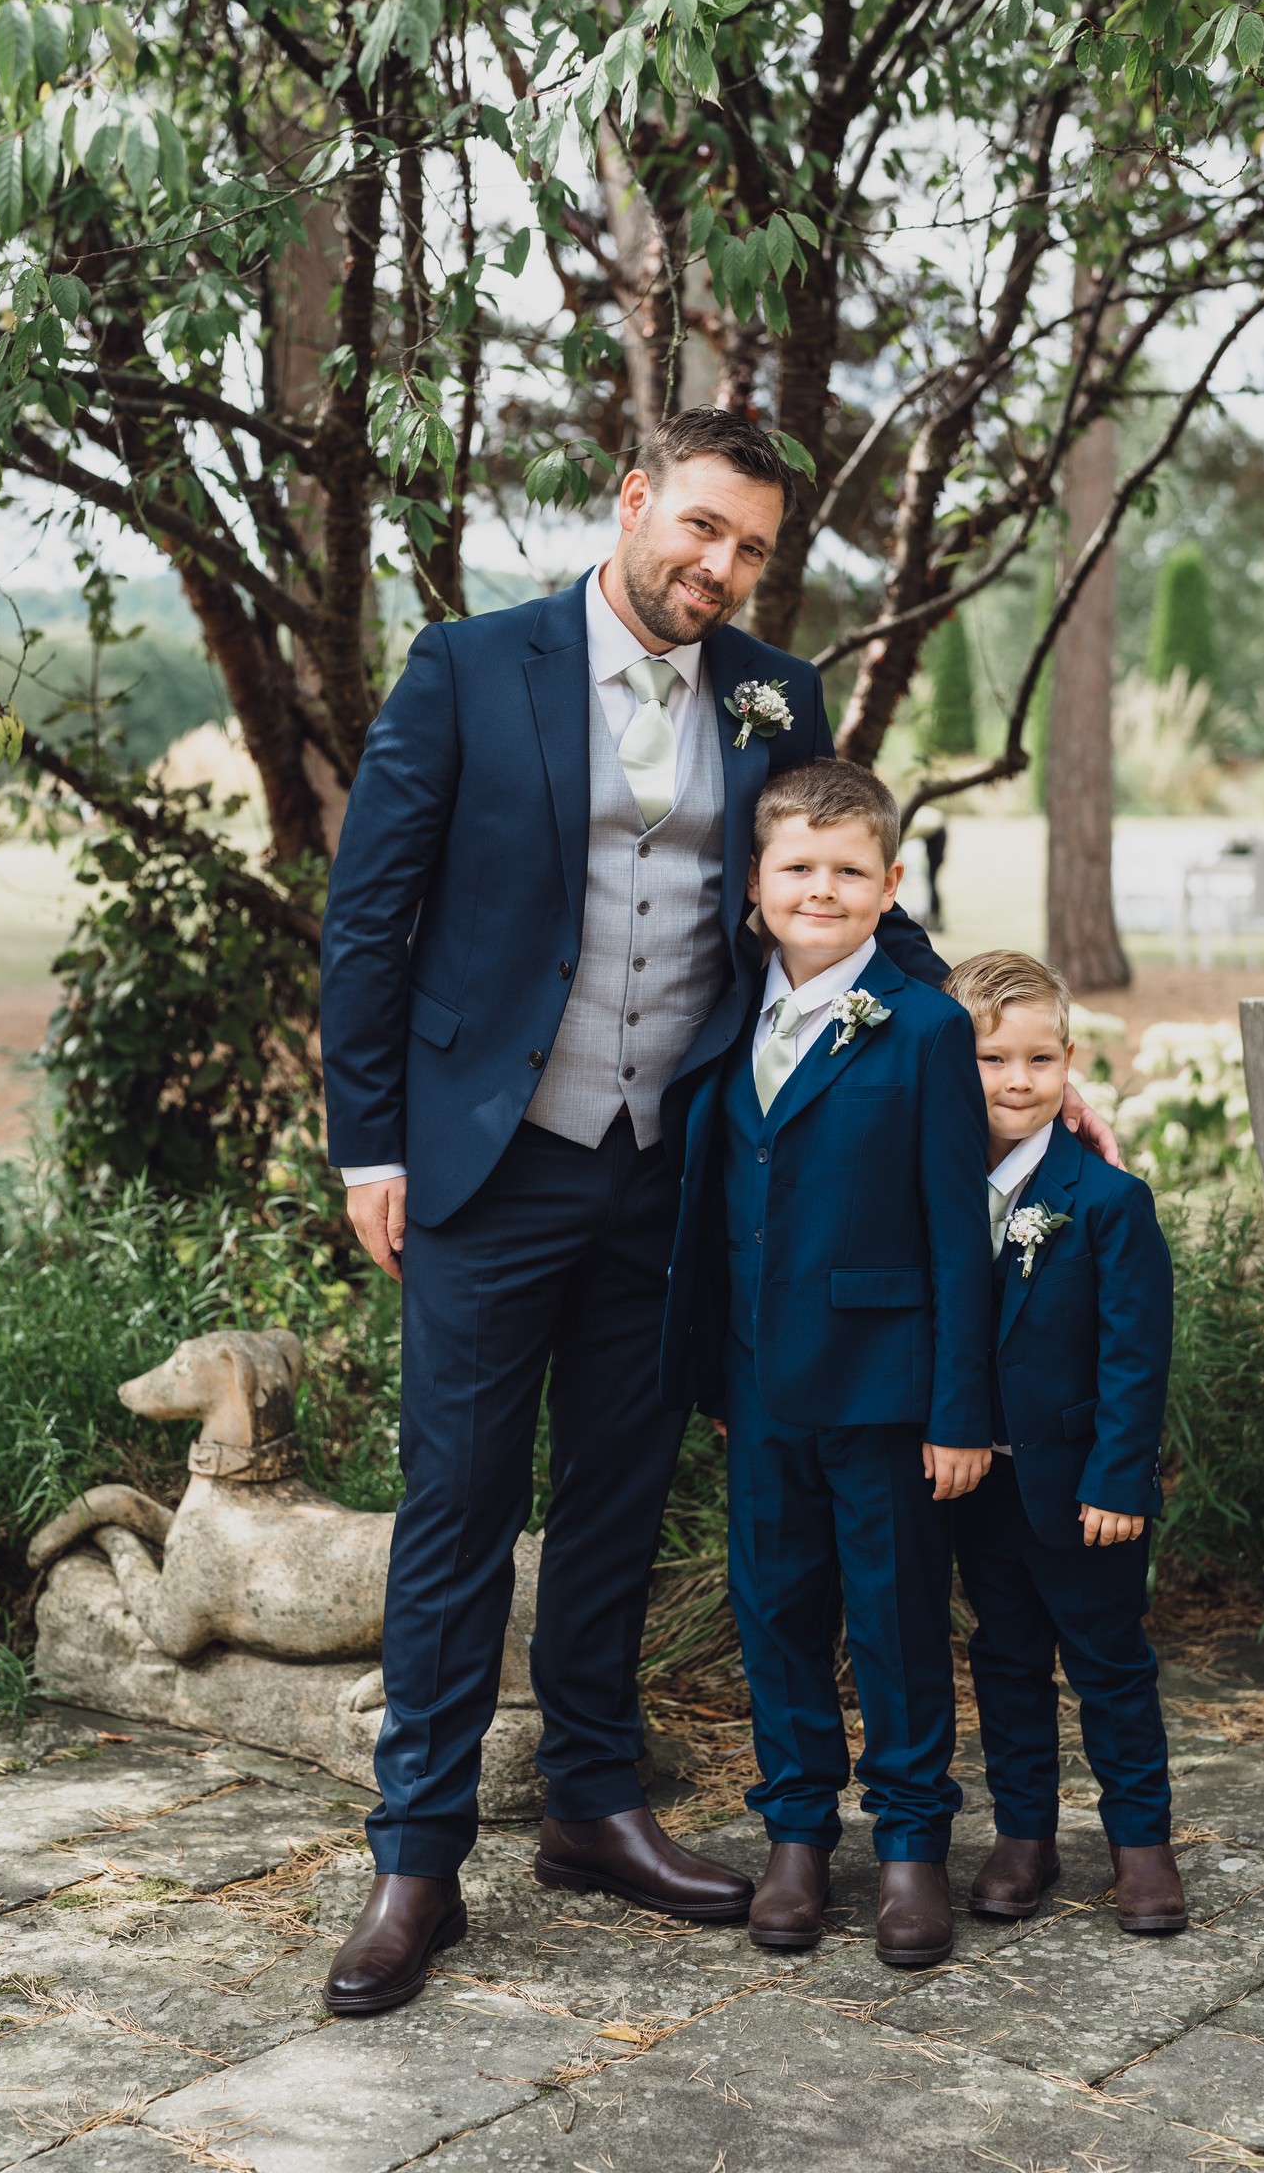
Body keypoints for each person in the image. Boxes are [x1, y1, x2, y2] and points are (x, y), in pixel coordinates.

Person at [316, 410, 956, 2016]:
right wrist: (368, 1145)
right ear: (632, 500)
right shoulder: (471, 668)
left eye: (751, 549)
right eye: (701, 528)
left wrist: (1005, 1051)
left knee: (616, 1492)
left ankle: (594, 1806)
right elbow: (370, 915)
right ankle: (417, 1858)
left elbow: (841, 900)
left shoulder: (771, 692)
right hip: (490, 1162)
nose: (720, 567)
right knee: (459, 1505)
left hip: (672, 1169)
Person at [659, 759, 993, 1969]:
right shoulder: (723, 1011)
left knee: (894, 1614)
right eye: (796, 866)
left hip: (884, 1387)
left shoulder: (928, 1028)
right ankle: (796, 1834)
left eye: (849, 871)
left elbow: (958, 1234)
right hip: (756, 1385)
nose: (821, 889)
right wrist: (710, 1372)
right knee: (776, 1609)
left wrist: (959, 1409)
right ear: (753, 880)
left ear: (889, 884)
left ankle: (909, 1843)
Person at [942, 950, 1185, 1936]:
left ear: (1070, 1062)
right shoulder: (938, 1190)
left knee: (1108, 1666)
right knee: (1005, 1661)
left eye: (1039, 1060)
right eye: (992, 1059)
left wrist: (1119, 1478)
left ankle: (1141, 1844)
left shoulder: (1108, 1201)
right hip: (978, 1485)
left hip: (1084, 1490)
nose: (1017, 1080)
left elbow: (1136, 1355)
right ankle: (1023, 1838)